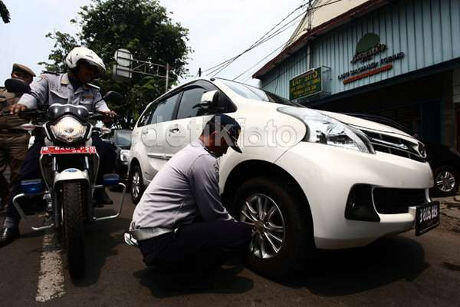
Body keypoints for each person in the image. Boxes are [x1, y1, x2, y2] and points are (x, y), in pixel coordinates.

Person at [0, 46, 117, 247]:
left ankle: (98, 188)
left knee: (107, 150)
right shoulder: (49, 80)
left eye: (95, 71)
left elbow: (101, 107)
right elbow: (33, 95)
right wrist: (24, 106)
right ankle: (11, 221)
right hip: (51, 136)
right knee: (26, 170)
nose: (92, 74)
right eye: (89, 68)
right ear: (74, 64)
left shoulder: (94, 92)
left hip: (81, 136)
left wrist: (108, 113)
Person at [130, 114, 252, 275]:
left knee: (206, 222)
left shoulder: (192, 150)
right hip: (159, 243)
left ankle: (172, 260)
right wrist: (237, 225)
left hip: (146, 234)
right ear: (215, 136)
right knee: (241, 233)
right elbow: (213, 214)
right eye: (226, 144)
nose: (225, 151)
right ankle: (184, 273)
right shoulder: (203, 159)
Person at [0, 64, 35, 211]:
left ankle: (15, 204)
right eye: (18, 74)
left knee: (18, 173)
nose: (21, 78)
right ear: (12, 74)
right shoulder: (1, 92)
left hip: (19, 137)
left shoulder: (32, 96)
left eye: (25, 77)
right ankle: (6, 195)